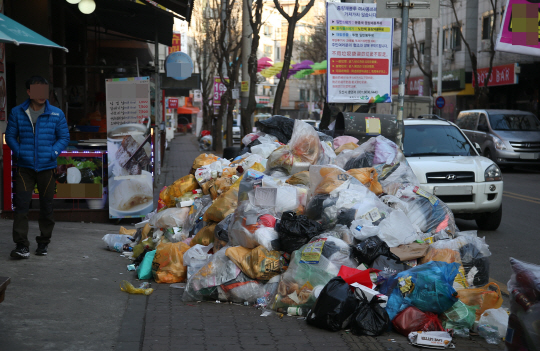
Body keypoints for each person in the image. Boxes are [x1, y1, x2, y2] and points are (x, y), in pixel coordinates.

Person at [5, 76, 70, 258]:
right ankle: (21, 245)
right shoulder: (17, 112)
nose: (42, 95)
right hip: (25, 168)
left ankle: (43, 242)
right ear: (29, 92)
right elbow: (10, 136)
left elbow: (64, 138)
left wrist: (53, 153)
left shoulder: (56, 113)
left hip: (47, 168)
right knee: (21, 206)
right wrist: (19, 152)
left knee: (47, 207)